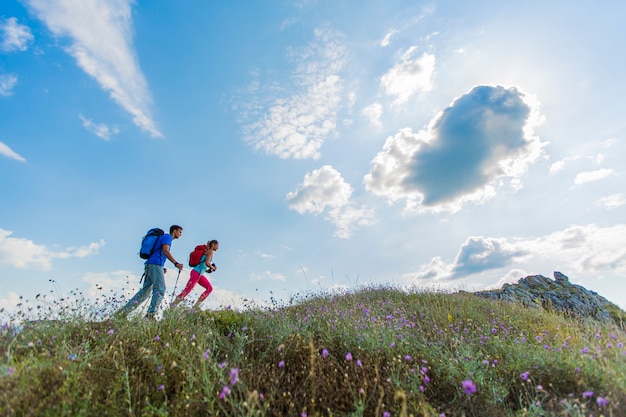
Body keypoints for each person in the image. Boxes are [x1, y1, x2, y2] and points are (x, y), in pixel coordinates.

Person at [116, 225, 184, 319]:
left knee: (145, 292)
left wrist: (161, 268)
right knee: (160, 289)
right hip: (155, 264)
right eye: (180, 232)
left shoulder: (164, 238)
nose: (181, 234)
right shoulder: (168, 237)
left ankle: (122, 313)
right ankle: (150, 315)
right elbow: (165, 251)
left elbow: (158, 252)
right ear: (174, 231)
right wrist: (176, 263)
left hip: (152, 264)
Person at [171, 240, 219, 309]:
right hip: (196, 273)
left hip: (199, 274)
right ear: (213, 244)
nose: (218, 247)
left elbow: (203, 264)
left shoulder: (207, 251)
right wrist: (213, 268)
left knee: (209, 288)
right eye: (217, 245)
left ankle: (195, 307)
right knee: (187, 290)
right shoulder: (210, 251)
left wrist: (208, 270)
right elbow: (207, 263)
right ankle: (172, 306)